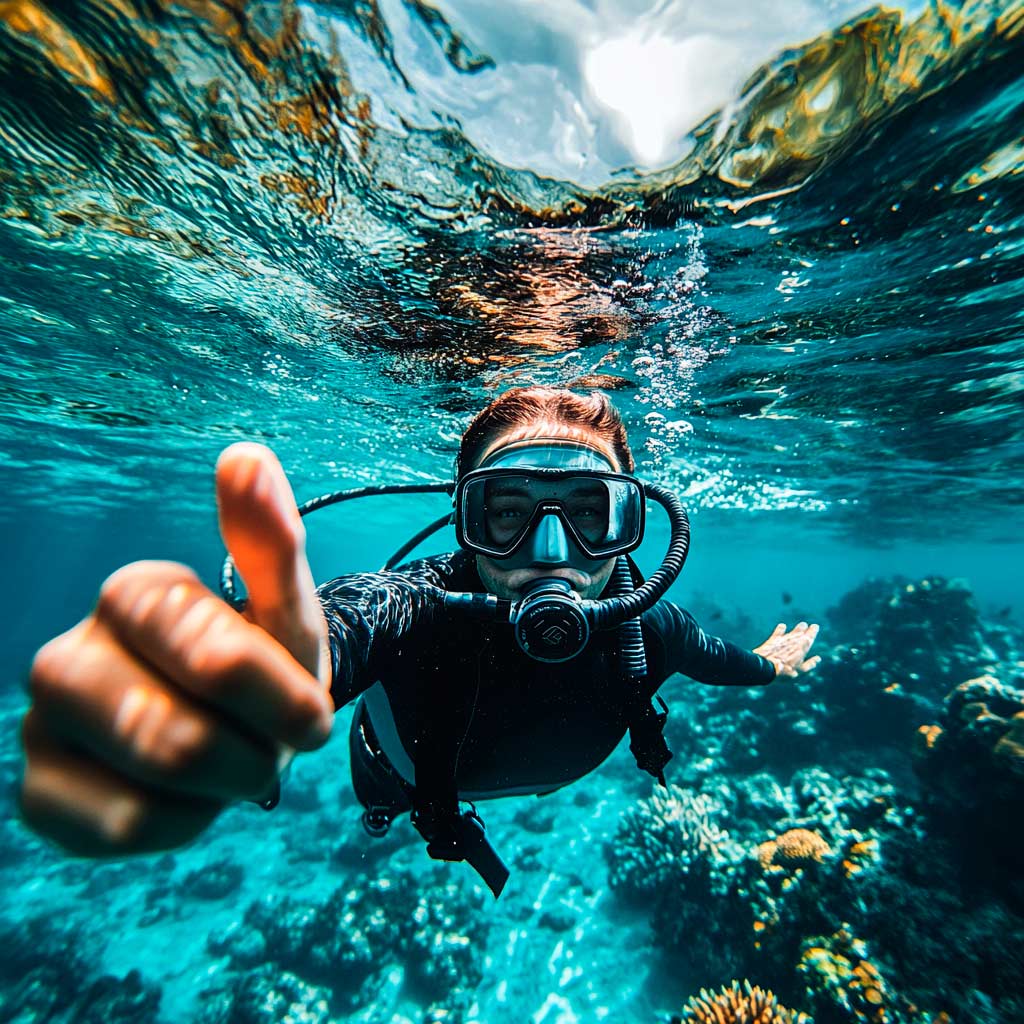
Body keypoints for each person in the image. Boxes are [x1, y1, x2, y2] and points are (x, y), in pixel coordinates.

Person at [20, 387, 819, 896]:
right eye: (505, 513)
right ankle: (380, 817)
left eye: (589, 512)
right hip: (398, 780)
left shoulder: (648, 625)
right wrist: (234, 687)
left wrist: (768, 670)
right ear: (465, 527)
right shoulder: (412, 607)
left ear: (627, 527)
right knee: (380, 802)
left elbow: (721, 661)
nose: (550, 555)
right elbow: (339, 627)